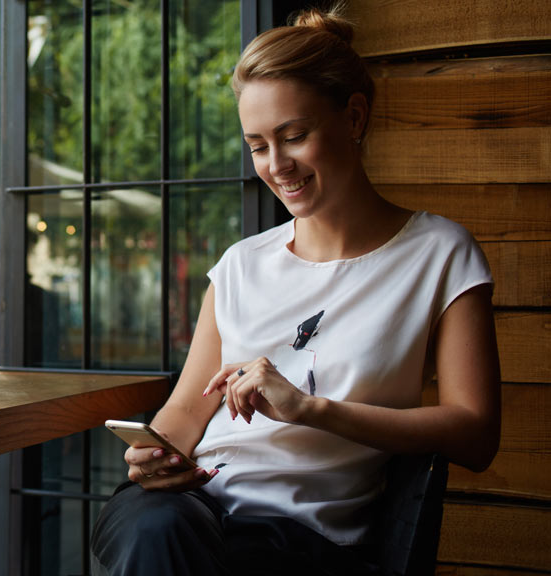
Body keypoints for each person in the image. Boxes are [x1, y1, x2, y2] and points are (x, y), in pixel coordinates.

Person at [90, 5, 501, 575]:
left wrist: (310, 409)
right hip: (191, 511)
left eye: (294, 136)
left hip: (307, 539)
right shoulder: (240, 264)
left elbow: (476, 434)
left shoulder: (439, 254)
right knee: (154, 524)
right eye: (258, 145)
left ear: (354, 117)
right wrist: (154, 456)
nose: (276, 164)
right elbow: (188, 408)